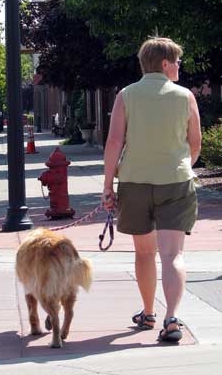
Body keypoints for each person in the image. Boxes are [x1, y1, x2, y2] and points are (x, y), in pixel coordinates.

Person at [102, 37, 201, 343]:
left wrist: (108, 185)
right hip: (176, 181)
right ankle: (171, 318)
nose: (180, 66)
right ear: (164, 63)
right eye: (177, 61)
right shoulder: (185, 97)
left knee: (144, 253)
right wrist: (182, 163)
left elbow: (114, 142)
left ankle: (147, 312)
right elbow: (195, 142)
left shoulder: (126, 96)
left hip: (135, 183)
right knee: (172, 255)